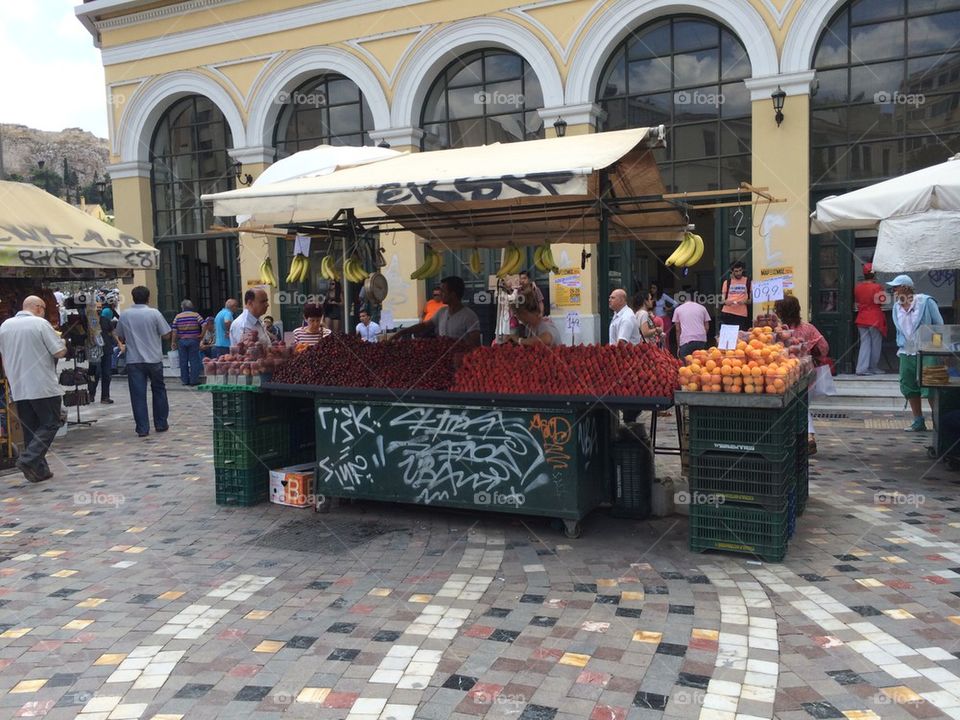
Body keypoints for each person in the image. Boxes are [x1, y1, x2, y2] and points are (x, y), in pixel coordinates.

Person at [0, 296, 67, 482]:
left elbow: (3, 356)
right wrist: (63, 343)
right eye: (44, 308)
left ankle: (39, 470)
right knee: (51, 423)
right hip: (43, 385)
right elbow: (58, 352)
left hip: (19, 385)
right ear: (38, 308)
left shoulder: (5, 326)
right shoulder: (40, 324)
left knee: (31, 429)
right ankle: (29, 459)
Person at [887, 274, 944, 432]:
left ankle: (939, 421)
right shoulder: (896, 307)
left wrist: (936, 349)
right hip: (906, 351)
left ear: (906, 287)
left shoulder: (926, 302)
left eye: (896, 287)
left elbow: (939, 325)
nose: (893, 290)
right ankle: (918, 420)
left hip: (927, 351)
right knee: (909, 385)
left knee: (931, 386)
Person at [774, 295, 829, 454]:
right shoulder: (808, 328)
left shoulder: (777, 332)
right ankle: (802, 438)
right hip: (807, 372)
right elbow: (824, 347)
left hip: (786, 374)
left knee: (799, 406)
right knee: (801, 406)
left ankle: (808, 437)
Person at [116, 286, 171, 438]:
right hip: (154, 358)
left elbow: (120, 335)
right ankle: (160, 423)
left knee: (138, 395)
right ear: (148, 298)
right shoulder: (154, 313)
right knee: (159, 390)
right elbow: (166, 334)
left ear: (133, 298)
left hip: (134, 360)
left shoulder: (125, 315)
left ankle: (142, 428)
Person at [390, 276, 481, 349]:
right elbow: (424, 326)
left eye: (443, 291)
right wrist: (403, 332)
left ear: (453, 294)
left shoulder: (469, 316)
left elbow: (475, 345)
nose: (440, 294)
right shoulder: (442, 312)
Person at [854, 263, 887, 376]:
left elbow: (858, 301)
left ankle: (861, 368)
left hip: (861, 317)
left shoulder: (858, 288)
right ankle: (873, 367)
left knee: (865, 343)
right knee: (875, 344)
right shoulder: (877, 287)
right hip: (874, 318)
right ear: (874, 274)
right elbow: (882, 301)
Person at [170, 299, 204, 386]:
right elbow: (204, 324)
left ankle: (185, 380)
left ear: (182, 307)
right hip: (193, 340)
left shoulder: (178, 316)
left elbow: (174, 330)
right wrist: (201, 335)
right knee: (194, 360)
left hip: (182, 341)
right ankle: (194, 380)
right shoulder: (196, 315)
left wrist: (173, 342)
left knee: (183, 361)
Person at [672, 294, 711, 359]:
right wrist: (701, 336)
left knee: (686, 365)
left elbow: (678, 329)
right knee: (700, 363)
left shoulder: (678, 309)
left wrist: (678, 346)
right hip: (701, 340)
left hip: (686, 340)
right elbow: (706, 327)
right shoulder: (702, 308)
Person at [98, 293, 120, 404]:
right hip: (104, 344)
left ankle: (100, 395)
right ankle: (101, 395)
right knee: (102, 371)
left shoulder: (109, 311)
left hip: (106, 344)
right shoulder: (106, 312)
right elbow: (110, 328)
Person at [720, 261, 752, 331]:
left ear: (742, 270)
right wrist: (726, 302)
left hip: (741, 314)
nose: (738, 273)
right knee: (727, 334)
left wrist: (745, 301)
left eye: (740, 270)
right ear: (732, 272)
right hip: (727, 312)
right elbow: (722, 300)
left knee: (739, 335)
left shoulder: (748, 282)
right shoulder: (727, 283)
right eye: (736, 271)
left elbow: (750, 301)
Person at [650, 282, 678, 352]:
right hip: (654, 320)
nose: (652, 290)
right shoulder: (649, 297)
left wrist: (669, 309)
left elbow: (675, 303)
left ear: (658, 289)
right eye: (651, 288)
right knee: (655, 338)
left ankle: (666, 354)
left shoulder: (663, 296)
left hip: (664, 318)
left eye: (654, 288)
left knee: (665, 338)